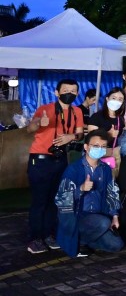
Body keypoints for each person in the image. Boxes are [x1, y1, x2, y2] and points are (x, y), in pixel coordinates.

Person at [26, 78, 84, 254]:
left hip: (61, 159)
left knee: (54, 200)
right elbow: (30, 128)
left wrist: (70, 137)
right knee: (39, 201)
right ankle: (35, 239)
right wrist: (38, 123)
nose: (70, 93)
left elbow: (80, 134)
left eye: (73, 91)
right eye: (66, 90)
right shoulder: (45, 109)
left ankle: (49, 235)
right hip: (40, 159)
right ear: (56, 92)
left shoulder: (77, 112)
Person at [54, 130, 123, 258]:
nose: (100, 149)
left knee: (116, 245)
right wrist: (80, 188)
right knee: (103, 223)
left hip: (97, 216)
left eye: (103, 146)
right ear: (86, 147)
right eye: (96, 146)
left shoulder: (106, 169)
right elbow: (61, 199)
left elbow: (112, 192)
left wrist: (114, 216)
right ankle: (78, 242)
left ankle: (86, 239)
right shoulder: (74, 169)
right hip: (78, 217)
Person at [86, 87, 125, 173]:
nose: (116, 101)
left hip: (114, 152)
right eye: (113, 98)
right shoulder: (96, 117)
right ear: (107, 99)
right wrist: (108, 135)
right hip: (98, 152)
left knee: (112, 178)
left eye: (120, 99)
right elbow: (91, 137)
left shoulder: (120, 119)